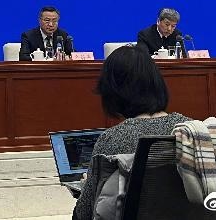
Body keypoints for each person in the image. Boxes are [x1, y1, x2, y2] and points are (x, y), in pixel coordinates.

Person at [72, 45, 190, 220]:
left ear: (113, 91)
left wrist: (86, 188)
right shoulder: (192, 130)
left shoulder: (112, 139)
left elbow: (83, 215)